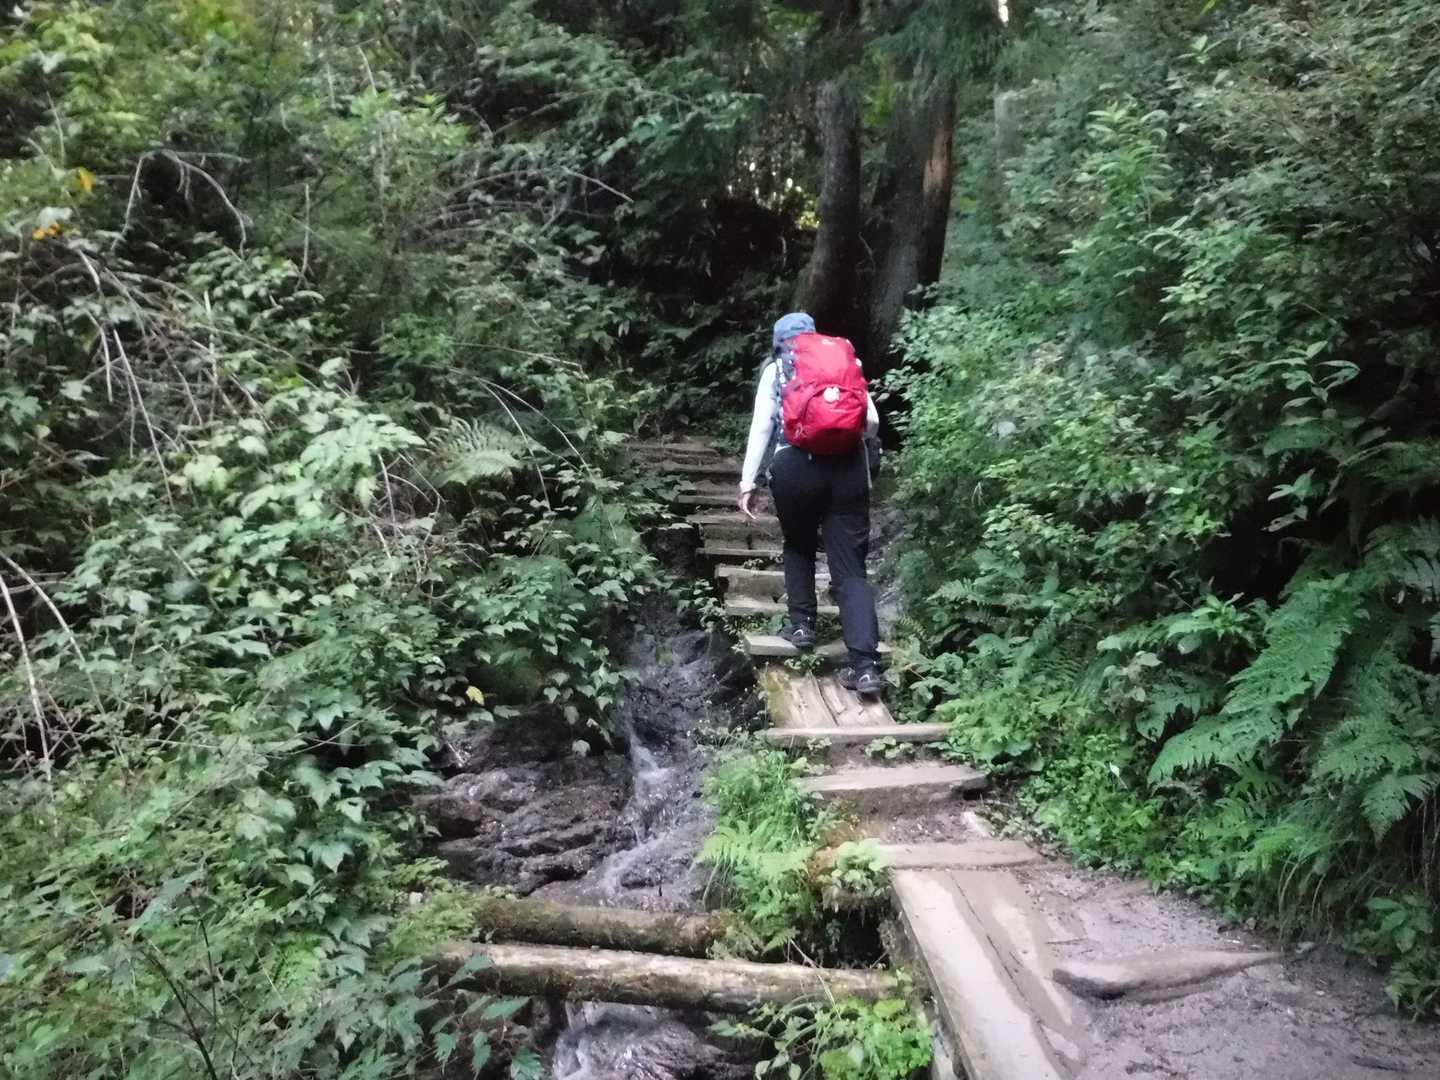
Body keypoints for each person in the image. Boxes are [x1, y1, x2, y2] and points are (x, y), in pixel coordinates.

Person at [737, 312, 885, 696]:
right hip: (848, 467)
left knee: (798, 543)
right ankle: (866, 667)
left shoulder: (776, 369)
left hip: (794, 464)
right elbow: (870, 422)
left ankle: (802, 626)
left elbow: (762, 426)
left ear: (778, 341)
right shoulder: (847, 362)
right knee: (851, 568)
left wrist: (748, 482)